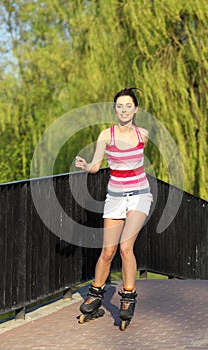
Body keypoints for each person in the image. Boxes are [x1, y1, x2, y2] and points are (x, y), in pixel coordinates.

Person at [75, 87, 152, 329]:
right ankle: (96, 293)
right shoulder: (105, 135)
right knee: (108, 251)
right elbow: (97, 166)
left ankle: (128, 297)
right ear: (114, 109)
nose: (124, 110)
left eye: (128, 106)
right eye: (120, 106)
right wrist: (86, 165)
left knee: (125, 247)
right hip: (115, 196)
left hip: (139, 195)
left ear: (135, 109)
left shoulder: (143, 134)